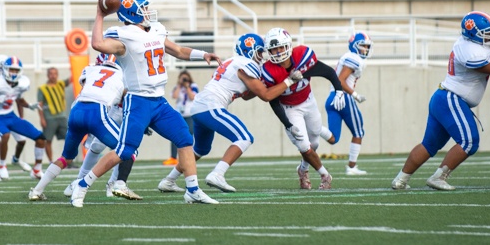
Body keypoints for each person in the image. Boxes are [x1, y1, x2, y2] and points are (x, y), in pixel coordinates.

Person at [69, 0, 222, 207]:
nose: (148, 11)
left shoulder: (157, 29)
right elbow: (97, 44)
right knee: (124, 151)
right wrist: (100, 15)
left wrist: (203, 54)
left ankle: (193, 190)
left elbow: (177, 50)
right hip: (138, 101)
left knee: (185, 139)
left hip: (159, 101)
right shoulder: (124, 35)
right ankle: (82, 185)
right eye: (143, 8)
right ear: (132, 13)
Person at [392, 11, 490, 191]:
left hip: (443, 98)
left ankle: (400, 180)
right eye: (486, 33)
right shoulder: (471, 53)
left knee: (429, 145)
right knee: (469, 141)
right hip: (451, 99)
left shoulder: (475, 41)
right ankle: (439, 177)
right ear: (474, 35)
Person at [158, 33, 293, 193]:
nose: (261, 57)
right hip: (211, 106)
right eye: (259, 52)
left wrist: (267, 84)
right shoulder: (246, 64)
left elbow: (248, 95)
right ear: (250, 51)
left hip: (200, 106)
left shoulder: (232, 61)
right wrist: (288, 81)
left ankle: (169, 180)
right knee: (244, 138)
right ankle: (217, 174)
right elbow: (266, 95)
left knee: (200, 149)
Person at [29, 52, 139, 201]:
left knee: (65, 158)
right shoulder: (122, 74)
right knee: (128, 150)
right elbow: (127, 96)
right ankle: (96, 184)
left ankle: (36, 190)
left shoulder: (91, 70)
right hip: (97, 113)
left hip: (76, 112)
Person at [261, 28, 345, 190]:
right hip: (289, 108)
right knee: (304, 146)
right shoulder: (269, 71)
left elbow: (326, 71)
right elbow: (273, 101)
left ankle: (302, 169)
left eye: (280, 47)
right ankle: (325, 175)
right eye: (273, 49)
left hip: (308, 101)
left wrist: (339, 90)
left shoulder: (302, 56)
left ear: (288, 46)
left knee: (313, 144)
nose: (278, 52)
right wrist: (287, 123)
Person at [0, 55, 44, 181]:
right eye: (11, 70)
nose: (13, 73)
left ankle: (36, 170)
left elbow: (19, 99)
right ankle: (0, 167)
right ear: (4, 69)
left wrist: (29, 106)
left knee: (40, 138)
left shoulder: (22, 83)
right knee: (3, 137)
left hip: (10, 115)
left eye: (16, 70)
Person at [320, 32, 373, 175]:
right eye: (362, 46)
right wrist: (355, 95)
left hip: (331, 99)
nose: (365, 49)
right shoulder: (353, 58)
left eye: (367, 46)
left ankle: (316, 128)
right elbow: (341, 80)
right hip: (343, 98)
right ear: (354, 46)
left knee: (333, 138)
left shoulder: (347, 57)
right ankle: (351, 167)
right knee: (358, 132)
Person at [162, 70, 198, 166]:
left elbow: (192, 97)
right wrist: (179, 85)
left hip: (189, 114)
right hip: (179, 114)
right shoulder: (177, 87)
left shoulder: (193, 86)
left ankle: (189, 156)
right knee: (175, 135)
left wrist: (187, 87)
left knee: (189, 135)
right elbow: (174, 96)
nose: (184, 80)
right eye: (183, 78)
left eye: (186, 78)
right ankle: (173, 157)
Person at [37, 67, 70, 162]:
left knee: (69, 138)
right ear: (47, 75)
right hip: (49, 117)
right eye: (51, 73)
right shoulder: (42, 88)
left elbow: (72, 79)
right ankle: (51, 161)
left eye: (55, 73)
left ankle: (67, 159)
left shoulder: (61, 84)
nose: (53, 76)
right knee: (48, 140)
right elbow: (40, 104)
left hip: (62, 116)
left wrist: (76, 65)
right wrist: (42, 118)